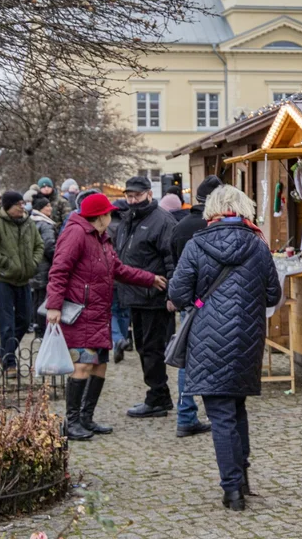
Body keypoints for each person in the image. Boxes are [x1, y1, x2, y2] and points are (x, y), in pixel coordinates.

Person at [168, 185, 281, 511]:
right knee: (237, 407)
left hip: (208, 338)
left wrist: (202, 302)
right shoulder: (257, 245)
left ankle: (232, 491)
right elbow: (273, 295)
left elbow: (177, 295)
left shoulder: (197, 244)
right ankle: (242, 479)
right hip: (247, 339)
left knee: (220, 415)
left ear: (211, 209)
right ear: (243, 207)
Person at [46, 193, 163, 441]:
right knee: (83, 364)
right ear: (100, 216)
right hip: (80, 313)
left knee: (99, 365)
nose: (112, 216)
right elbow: (59, 270)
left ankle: (87, 418)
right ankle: (72, 421)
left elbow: (118, 269)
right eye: (108, 213)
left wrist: (149, 279)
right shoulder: (76, 234)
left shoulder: (102, 238)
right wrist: (54, 306)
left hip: (99, 313)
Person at [112, 176, 186, 421]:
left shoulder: (162, 220)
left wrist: (171, 293)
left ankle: (157, 397)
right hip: (133, 294)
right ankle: (158, 394)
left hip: (154, 295)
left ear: (148, 194)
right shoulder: (128, 219)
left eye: (137, 195)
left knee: (153, 348)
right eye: (129, 196)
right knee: (144, 347)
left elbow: (171, 259)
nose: (133, 200)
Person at [167, 175, 223, 437]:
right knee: (220, 356)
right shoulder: (220, 226)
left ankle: (186, 415)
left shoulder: (181, 226)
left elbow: (175, 266)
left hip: (190, 302)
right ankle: (219, 413)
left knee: (187, 359)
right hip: (218, 302)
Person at [0, 191, 44, 371]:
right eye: (18, 204)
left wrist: (33, 262)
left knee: (24, 320)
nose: (22, 207)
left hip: (23, 280)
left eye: (23, 203)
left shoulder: (28, 223)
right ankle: (9, 362)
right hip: (2, 280)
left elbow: (39, 245)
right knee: (7, 323)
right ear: (8, 207)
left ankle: (1, 351)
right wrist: (7, 263)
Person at [107, 199, 133, 363]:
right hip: (128, 274)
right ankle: (122, 339)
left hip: (111, 274)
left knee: (112, 311)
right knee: (124, 312)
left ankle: (118, 339)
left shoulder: (106, 227)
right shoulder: (129, 227)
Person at [29, 195, 57, 339]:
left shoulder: (30, 222)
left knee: (36, 298)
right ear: (41, 208)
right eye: (47, 206)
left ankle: (36, 328)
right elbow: (49, 245)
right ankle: (41, 329)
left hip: (34, 265)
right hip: (44, 266)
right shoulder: (45, 225)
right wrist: (57, 261)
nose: (50, 208)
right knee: (42, 299)